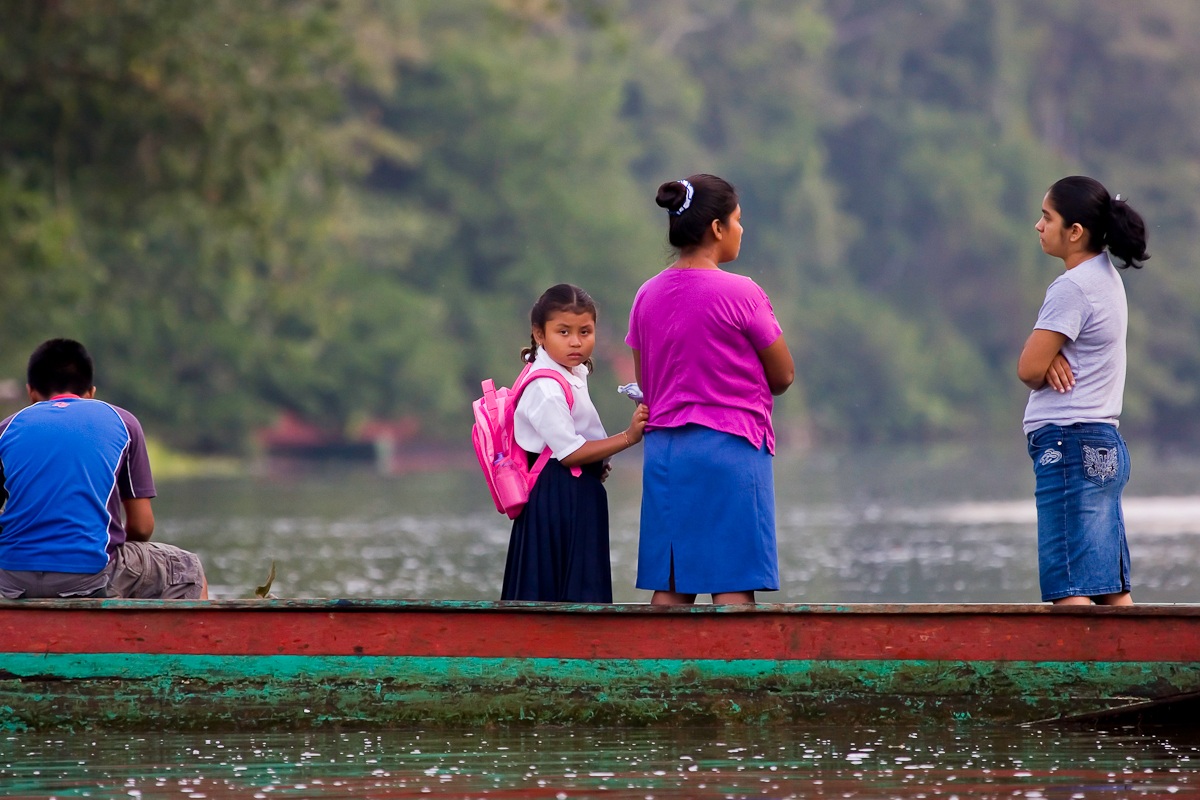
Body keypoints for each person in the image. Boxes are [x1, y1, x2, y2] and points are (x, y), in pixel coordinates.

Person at [626, 174, 795, 606]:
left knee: (672, 590)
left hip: (666, 457)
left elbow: (647, 383)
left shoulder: (646, 295)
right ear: (717, 228)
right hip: (731, 451)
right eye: (737, 220)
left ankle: (657, 673)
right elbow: (783, 376)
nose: (741, 229)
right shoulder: (742, 293)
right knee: (733, 588)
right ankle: (733, 675)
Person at [1018, 176, 1149, 606]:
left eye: (1047, 217)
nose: (1039, 226)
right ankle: (1132, 670)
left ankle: (1082, 676)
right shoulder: (1106, 279)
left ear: (1075, 232)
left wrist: (1047, 358)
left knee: (1070, 589)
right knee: (1110, 590)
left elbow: (1028, 368)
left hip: (1067, 443)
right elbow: (1045, 360)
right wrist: (1051, 355)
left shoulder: (1072, 287)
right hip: (1103, 443)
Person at [0, 338, 208, 599]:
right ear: (91, 393)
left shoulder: (5, 429)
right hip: (91, 572)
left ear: (31, 392)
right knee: (188, 570)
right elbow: (142, 528)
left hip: (11, 577)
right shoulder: (123, 422)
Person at [501, 284, 649, 602]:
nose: (576, 342)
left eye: (585, 331)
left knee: (577, 586)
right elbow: (569, 454)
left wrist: (598, 463)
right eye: (563, 332)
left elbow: (576, 442)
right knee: (561, 589)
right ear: (539, 334)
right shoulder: (544, 385)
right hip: (556, 500)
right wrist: (628, 436)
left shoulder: (569, 372)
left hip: (575, 491)